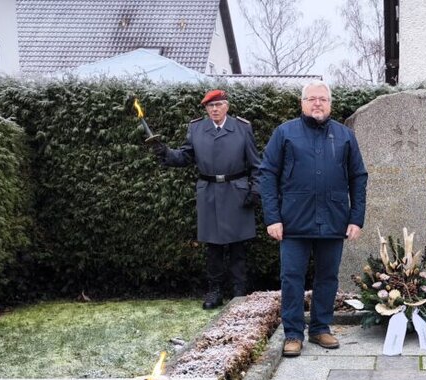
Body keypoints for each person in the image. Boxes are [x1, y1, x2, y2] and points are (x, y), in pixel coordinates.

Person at [259, 81, 368, 357]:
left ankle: (321, 328)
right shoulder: (285, 133)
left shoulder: (344, 136)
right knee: (292, 277)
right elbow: (268, 174)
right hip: (293, 222)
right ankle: (293, 334)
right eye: (312, 99)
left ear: (330, 104)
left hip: (333, 221)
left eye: (323, 99)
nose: (317, 103)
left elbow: (358, 177)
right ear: (302, 103)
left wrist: (357, 218)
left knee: (328, 278)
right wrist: (273, 218)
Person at [151, 89, 260, 310]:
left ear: (226, 106)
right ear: (206, 109)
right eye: (210, 106)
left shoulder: (242, 128)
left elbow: (257, 165)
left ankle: (239, 291)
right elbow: (186, 156)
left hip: (237, 191)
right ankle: (215, 290)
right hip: (209, 192)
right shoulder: (196, 128)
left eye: (218, 105)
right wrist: (166, 153)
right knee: (214, 248)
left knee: (238, 247)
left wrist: (256, 190)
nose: (214, 109)